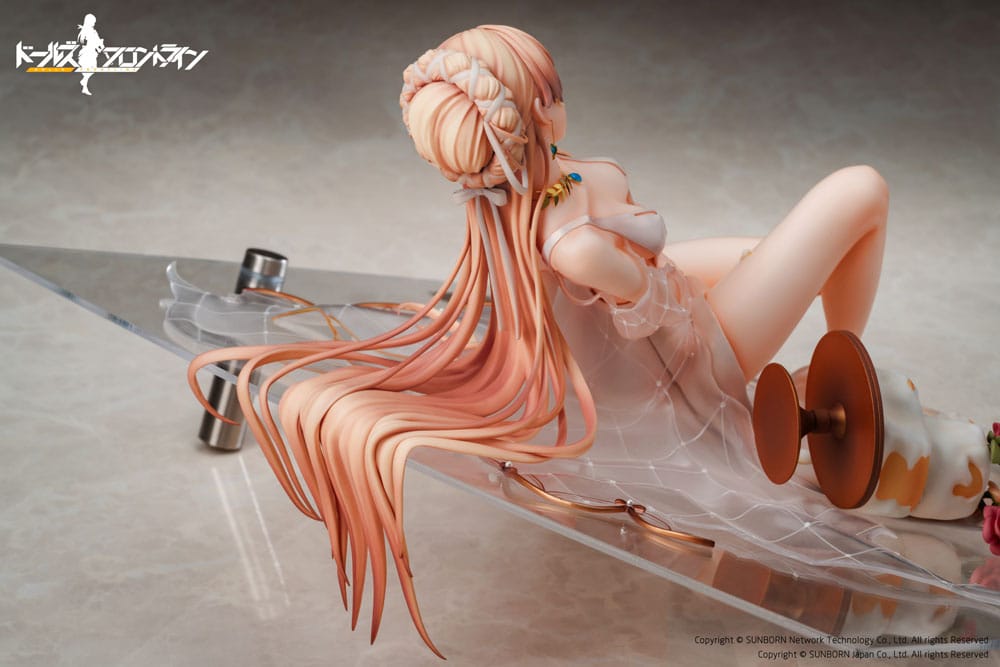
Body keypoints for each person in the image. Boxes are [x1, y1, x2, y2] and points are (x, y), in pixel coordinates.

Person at [181, 26, 990, 656]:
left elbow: (617, 264)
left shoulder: (519, 198)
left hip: (660, 309)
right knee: (858, 191)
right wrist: (643, 279)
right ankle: (842, 368)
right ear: (541, 111)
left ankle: (834, 367)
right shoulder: (563, 231)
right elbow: (620, 284)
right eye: (553, 90)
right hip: (689, 356)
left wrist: (650, 266)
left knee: (763, 250)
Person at [77, 13, 104, 96]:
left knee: (92, 69)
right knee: (89, 69)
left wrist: (99, 43)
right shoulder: (86, 31)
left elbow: (97, 41)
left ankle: (84, 84)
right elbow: (81, 42)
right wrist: (97, 43)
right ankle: (84, 83)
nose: (94, 23)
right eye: (93, 21)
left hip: (92, 53)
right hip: (86, 54)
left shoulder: (93, 31)